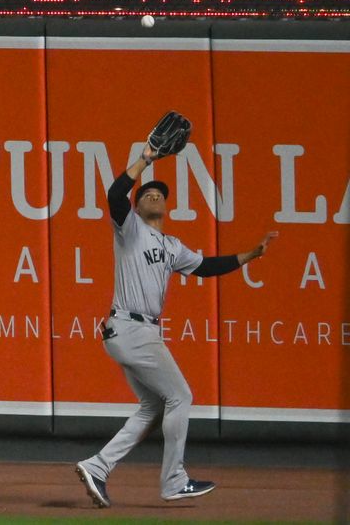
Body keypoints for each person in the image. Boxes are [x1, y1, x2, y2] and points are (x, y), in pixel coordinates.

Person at [75, 124, 278, 507]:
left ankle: (98, 466)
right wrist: (146, 158)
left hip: (131, 331)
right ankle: (173, 480)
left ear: (167, 206)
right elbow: (115, 195)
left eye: (159, 194)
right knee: (181, 395)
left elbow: (206, 266)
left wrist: (249, 256)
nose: (154, 195)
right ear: (137, 207)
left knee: (154, 406)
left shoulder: (172, 246)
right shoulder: (130, 228)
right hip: (133, 328)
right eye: (148, 193)